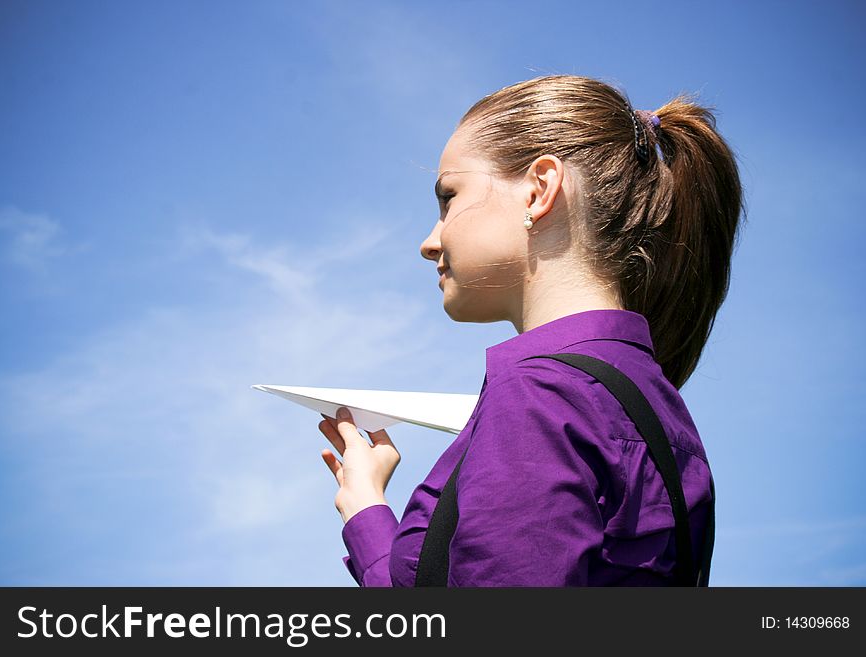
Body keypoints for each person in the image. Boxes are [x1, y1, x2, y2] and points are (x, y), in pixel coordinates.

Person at [317, 74, 744, 586]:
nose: (430, 242)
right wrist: (366, 510)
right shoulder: (654, 403)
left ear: (539, 190)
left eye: (448, 198)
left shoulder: (539, 395)